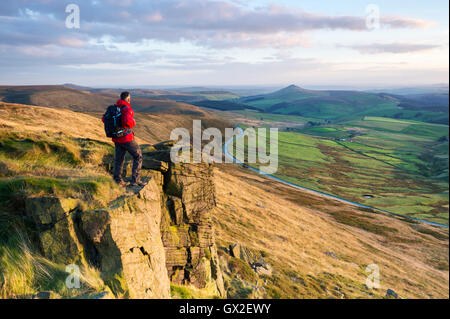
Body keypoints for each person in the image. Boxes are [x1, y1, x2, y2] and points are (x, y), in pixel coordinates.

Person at [103, 92, 144, 187]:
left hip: (116, 139)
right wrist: (133, 122)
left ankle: (117, 180)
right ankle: (135, 180)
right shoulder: (127, 109)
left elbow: (104, 119)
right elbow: (127, 122)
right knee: (138, 156)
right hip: (126, 138)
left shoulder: (114, 109)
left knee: (119, 160)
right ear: (128, 99)